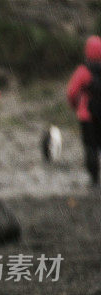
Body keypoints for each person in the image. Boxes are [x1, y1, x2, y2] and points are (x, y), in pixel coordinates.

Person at [67, 36, 101, 187]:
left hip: (87, 116)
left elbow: (71, 92)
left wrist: (76, 106)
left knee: (90, 147)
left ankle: (94, 178)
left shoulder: (83, 71)